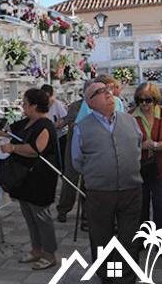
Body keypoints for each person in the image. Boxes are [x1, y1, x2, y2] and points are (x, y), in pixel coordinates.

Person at [0, 89, 59, 270]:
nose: (22, 106)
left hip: (40, 178)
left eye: (25, 103)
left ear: (34, 105)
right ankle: (36, 250)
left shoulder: (45, 125)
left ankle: (49, 254)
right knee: (29, 216)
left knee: (41, 216)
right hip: (23, 178)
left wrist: (13, 149)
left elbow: (36, 149)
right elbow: (4, 131)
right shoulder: (26, 122)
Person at [72, 82, 143, 284]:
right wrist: (99, 173)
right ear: (90, 102)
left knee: (129, 236)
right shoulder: (82, 127)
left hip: (131, 189)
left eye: (107, 90)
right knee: (103, 238)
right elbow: (77, 161)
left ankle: (126, 277)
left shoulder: (129, 121)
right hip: (100, 193)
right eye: (100, 92)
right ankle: (109, 276)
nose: (107, 94)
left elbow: (137, 147)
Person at [131, 83, 162, 231]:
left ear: (156, 99)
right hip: (139, 169)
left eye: (148, 100)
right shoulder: (131, 116)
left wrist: (159, 145)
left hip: (161, 169)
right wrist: (141, 146)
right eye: (140, 100)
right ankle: (142, 240)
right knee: (141, 207)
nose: (144, 103)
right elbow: (125, 142)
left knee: (160, 207)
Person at [56, 80, 92, 226]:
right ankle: (63, 210)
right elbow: (65, 122)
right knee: (70, 180)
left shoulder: (99, 107)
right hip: (74, 148)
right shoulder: (75, 106)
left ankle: (86, 215)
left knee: (87, 183)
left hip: (91, 150)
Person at [41, 84, 68, 170]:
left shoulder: (57, 104)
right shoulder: (41, 105)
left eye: (48, 97)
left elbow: (65, 119)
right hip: (46, 137)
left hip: (59, 136)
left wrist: (56, 124)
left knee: (60, 159)